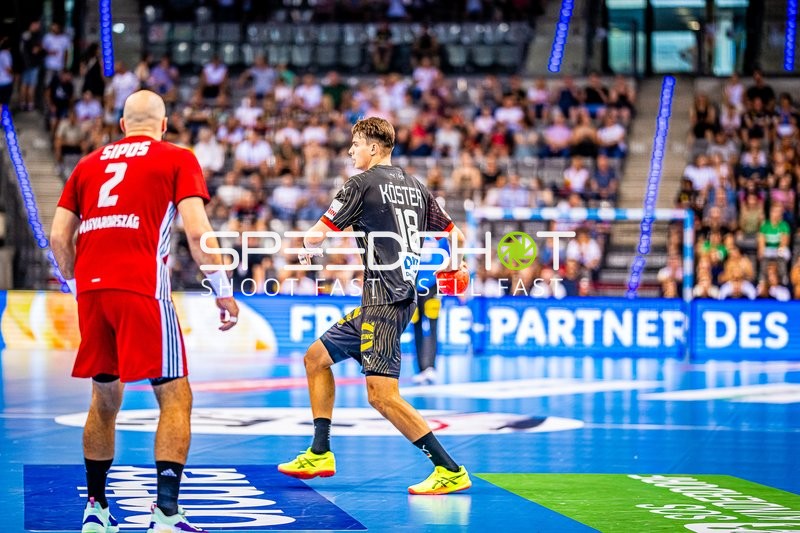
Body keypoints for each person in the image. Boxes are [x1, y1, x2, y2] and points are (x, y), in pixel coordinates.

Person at [50, 90, 239, 533]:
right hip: (141, 289)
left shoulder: (88, 163)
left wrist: (76, 285)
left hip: (92, 291)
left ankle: (96, 510)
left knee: (104, 399)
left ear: (122, 126)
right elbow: (198, 232)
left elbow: (58, 236)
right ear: (164, 124)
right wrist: (222, 289)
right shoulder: (177, 158)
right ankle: (167, 515)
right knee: (175, 397)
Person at [277, 117, 471, 495]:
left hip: (384, 301)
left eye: (355, 145)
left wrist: (306, 249)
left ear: (373, 148)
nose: (351, 151)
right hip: (393, 298)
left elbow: (316, 236)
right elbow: (457, 237)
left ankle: (449, 469)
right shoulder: (416, 187)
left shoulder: (360, 184)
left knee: (382, 395)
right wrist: (454, 267)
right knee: (316, 359)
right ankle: (320, 452)